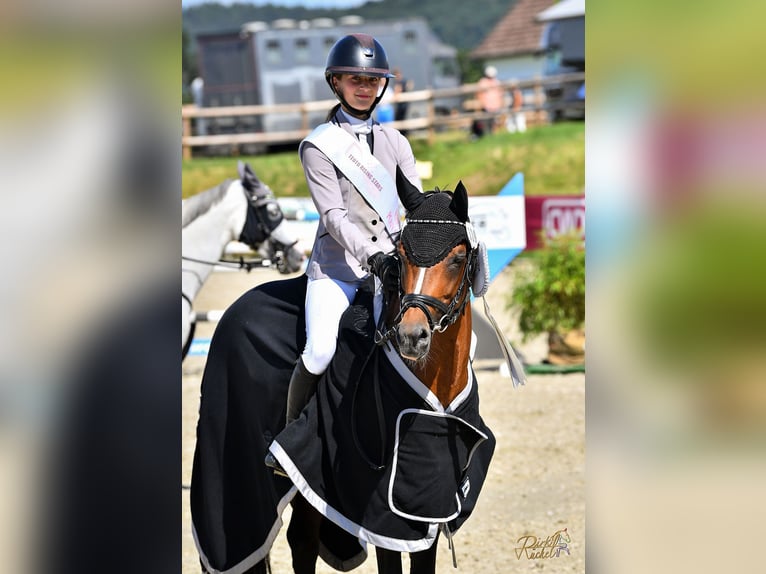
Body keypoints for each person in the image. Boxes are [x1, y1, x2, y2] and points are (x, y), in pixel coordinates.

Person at [265, 33, 424, 473]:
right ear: (335, 82)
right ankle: (291, 440)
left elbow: (414, 201)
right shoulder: (318, 146)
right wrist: (373, 254)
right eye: (355, 79)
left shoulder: (396, 142)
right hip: (337, 268)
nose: (365, 87)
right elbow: (334, 215)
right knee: (319, 351)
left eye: (373, 80)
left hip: (389, 269)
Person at [471, 65, 504, 138]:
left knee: (494, 122)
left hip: (495, 105)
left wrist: (500, 103)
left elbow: (500, 93)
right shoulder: (483, 82)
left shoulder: (496, 82)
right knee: (486, 122)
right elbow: (479, 94)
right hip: (487, 106)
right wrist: (482, 103)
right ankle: (487, 136)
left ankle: (493, 136)